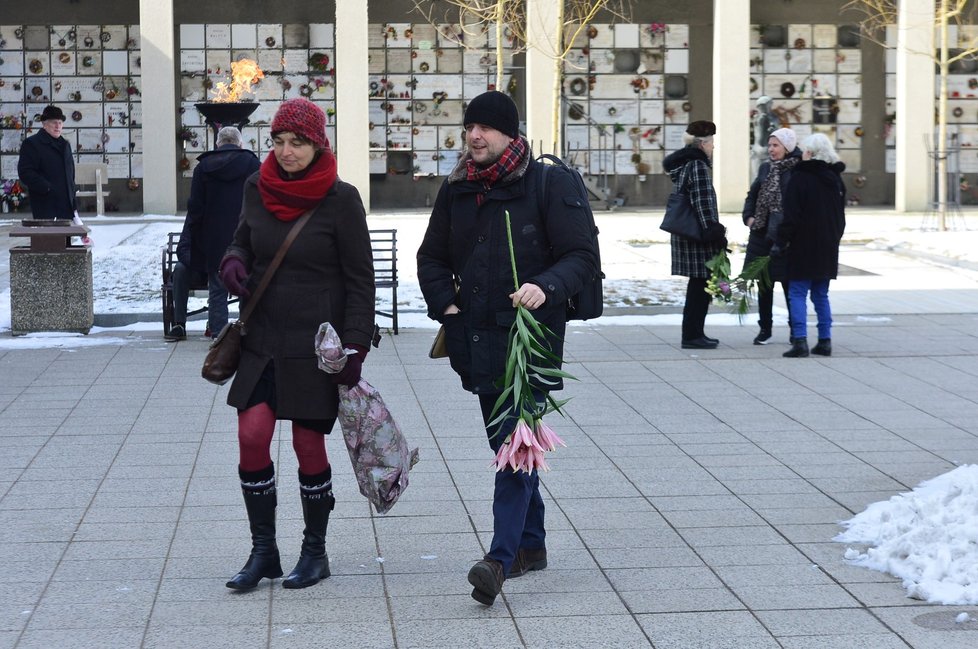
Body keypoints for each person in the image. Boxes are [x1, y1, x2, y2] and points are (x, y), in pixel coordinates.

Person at [416, 90, 598, 606]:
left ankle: (498, 558)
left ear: (510, 134)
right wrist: (445, 307)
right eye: (470, 126)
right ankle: (532, 546)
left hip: (529, 342)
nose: (474, 136)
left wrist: (547, 286)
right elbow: (430, 258)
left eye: (487, 128)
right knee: (506, 444)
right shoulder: (458, 189)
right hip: (475, 341)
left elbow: (582, 255)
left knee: (515, 444)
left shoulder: (547, 183)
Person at [217, 98, 376, 590]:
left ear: (317, 144)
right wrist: (234, 261)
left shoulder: (341, 199)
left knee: (308, 443)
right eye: (279, 142)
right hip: (263, 334)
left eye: (297, 143)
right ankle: (263, 550)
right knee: (251, 434)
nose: (286, 152)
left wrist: (354, 348)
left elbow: (360, 280)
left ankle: (315, 551)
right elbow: (242, 239)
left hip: (316, 343)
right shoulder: (255, 187)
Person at [165, 126, 260, 342]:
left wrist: (197, 240)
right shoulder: (253, 165)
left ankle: (219, 336)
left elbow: (195, 208)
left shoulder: (203, 168)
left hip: (213, 238)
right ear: (240, 143)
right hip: (245, 236)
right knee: (249, 285)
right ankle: (250, 331)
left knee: (217, 287)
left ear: (218, 144)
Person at [778, 133, 846, 358]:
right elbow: (840, 216)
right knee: (821, 294)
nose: (803, 153)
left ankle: (800, 341)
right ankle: (825, 341)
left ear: (810, 153)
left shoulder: (799, 178)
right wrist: (834, 238)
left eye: (805, 150)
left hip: (802, 243)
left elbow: (791, 215)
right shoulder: (835, 179)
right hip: (827, 245)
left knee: (797, 292)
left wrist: (781, 241)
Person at [662, 120, 727, 349]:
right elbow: (702, 202)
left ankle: (695, 333)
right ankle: (692, 336)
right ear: (702, 144)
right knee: (700, 287)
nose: (713, 148)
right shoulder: (697, 166)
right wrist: (716, 233)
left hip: (689, 234)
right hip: (699, 236)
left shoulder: (684, 165)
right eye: (711, 144)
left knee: (698, 286)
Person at [741, 127, 801, 345]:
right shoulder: (765, 168)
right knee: (764, 285)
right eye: (770, 145)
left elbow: (798, 206)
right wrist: (748, 217)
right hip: (761, 236)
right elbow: (752, 195)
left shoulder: (797, 170)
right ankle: (765, 329)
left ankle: (796, 330)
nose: (771, 149)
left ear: (787, 147)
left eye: (775, 145)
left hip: (786, 238)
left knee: (789, 287)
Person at [17, 105, 77, 220]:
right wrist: (47, 188)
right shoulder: (32, 144)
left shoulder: (65, 145)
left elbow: (70, 173)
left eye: (60, 122)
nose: (57, 126)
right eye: (54, 122)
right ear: (44, 124)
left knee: (65, 237)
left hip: (66, 205)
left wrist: (73, 197)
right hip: (46, 204)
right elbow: (25, 172)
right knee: (48, 237)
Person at [751, 96, 779, 177]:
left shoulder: (773, 118)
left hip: (767, 150)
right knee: (757, 176)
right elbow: (759, 135)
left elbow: (775, 132)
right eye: (761, 106)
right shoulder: (759, 118)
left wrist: (773, 128)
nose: (763, 108)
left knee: (767, 176)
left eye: (765, 105)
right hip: (759, 150)